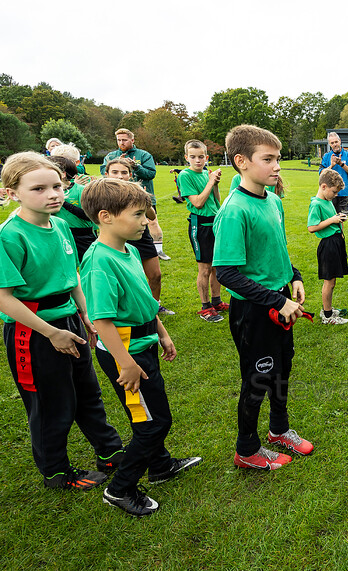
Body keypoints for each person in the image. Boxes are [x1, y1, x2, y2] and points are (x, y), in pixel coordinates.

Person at [0, 152, 123, 491]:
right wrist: (52, 332)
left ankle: (110, 452)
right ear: (12, 193)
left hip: (69, 321)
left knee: (87, 392)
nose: (53, 194)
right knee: (52, 403)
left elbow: (74, 278)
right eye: (39, 188)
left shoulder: (63, 225)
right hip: (34, 332)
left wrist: (86, 314)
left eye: (57, 186)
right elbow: (4, 297)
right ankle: (56, 471)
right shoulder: (9, 235)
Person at [80, 177, 201, 517]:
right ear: (105, 217)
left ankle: (160, 465)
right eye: (138, 215)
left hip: (143, 343)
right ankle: (120, 489)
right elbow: (101, 320)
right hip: (126, 351)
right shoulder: (99, 261)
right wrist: (126, 363)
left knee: (150, 414)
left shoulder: (129, 249)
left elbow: (145, 300)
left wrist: (161, 331)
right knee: (151, 423)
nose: (146, 222)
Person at [214, 124, 314, 470]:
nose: (277, 167)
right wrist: (276, 301)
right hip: (254, 311)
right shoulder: (233, 210)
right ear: (241, 161)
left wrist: (295, 277)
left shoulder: (272, 200)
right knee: (257, 378)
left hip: (281, 299)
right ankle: (247, 449)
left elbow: (277, 250)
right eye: (268, 159)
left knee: (282, 369)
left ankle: (279, 429)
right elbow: (227, 273)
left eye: (278, 159)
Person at [103, 158, 174, 316]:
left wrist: (144, 199)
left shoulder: (137, 192)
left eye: (124, 172)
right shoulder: (102, 194)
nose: (120, 176)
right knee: (127, 280)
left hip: (141, 237)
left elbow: (151, 216)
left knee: (155, 276)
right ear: (106, 174)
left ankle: (154, 307)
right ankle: (125, 312)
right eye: (115, 172)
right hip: (116, 241)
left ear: (130, 174)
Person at [178, 140, 228, 323]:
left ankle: (217, 302)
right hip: (199, 225)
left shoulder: (207, 173)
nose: (197, 160)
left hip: (215, 222)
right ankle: (205, 307)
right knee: (205, 268)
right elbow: (198, 203)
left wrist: (214, 183)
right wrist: (210, 181)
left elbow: (216, 201)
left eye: (201, 157)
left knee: (216, 266)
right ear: (186, 158)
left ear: (206, 157)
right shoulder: (185, 175)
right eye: (193, 157)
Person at [100, 129, 170, 261]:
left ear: (132, 140)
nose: (121, 142)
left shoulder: (143, 155)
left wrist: (136, 167)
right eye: (119, 140)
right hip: (117, 198)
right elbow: (104, 171)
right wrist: (117, 163)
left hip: (144, 196)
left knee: (152, 222)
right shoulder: (111, 155)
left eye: (124, 140)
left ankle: (158, 250)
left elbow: (151, 174)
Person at [307, 169, 348, 325]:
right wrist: (332, 220)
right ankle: (327, 315)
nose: (335, 195)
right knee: (329, 281)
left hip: (336, 242)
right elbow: (311, 227)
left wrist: (338, 219)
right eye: (334, 191)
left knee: (333, 281)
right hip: (328, 245)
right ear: (324, 186)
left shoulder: (327, 201)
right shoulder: (316, 203)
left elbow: (331, 220)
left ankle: (329, 309)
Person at [47, 147, 98, 262]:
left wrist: (64, 203)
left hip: (83, 235)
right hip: (58, 233)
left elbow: (89, 215)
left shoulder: (81, 189)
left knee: (89, 264)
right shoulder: (48, 191)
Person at [319, 132, 348, 215]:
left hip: (347, 192)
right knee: (334, 218)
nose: (335, 145)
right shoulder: (326, 156)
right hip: (331, 192)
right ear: (329, 144)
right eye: (332, 143)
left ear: (340, 141)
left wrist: (341, 164)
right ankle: (339, 229)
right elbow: (321, 174)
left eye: (336, 142)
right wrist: (331, 166)